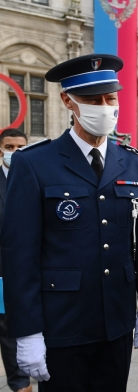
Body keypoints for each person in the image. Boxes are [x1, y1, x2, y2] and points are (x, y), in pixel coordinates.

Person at [1, 54, 138, 392]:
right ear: (67, 100)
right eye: (91, 99)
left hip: (116, 322)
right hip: (62, 324)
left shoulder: (134, 165)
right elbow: (20, 255)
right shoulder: (34, 164)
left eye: (110, 98)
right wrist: (27, 332)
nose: (104, 107)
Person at [0, 129, 31, 392]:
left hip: (33, 269)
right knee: (8, 326)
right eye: (9, 146)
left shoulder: (36, 177)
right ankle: (20, 383)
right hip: (2, 272)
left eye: (20, 146)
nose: (15, 151)